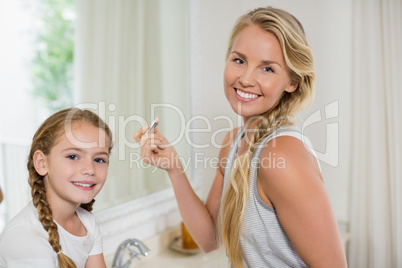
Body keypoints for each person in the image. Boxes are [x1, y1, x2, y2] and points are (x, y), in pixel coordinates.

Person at [134, 6, 347, 268]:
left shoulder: (281, 155)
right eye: (239, 60)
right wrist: (174, 169)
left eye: (267, 69)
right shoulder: (234, 141)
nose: (246, 79)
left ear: (292, 82)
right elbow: (209, 238)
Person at [0, 108, 113, 268]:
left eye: (99, 159)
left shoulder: (86, 223)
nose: (90, 169)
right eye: (73, 156)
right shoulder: (26, 238)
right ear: (41, 163)